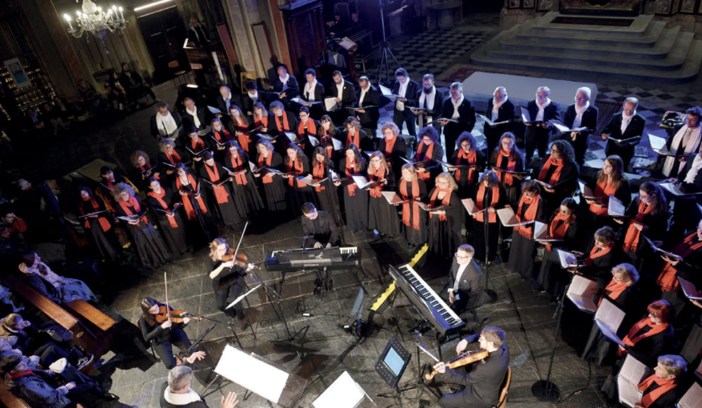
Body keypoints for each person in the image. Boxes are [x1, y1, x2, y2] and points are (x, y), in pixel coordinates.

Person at [1, 354, 117, 408]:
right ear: (12, 370)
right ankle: (102, 393)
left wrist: (51, 371)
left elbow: (37, 374)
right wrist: (66, 387)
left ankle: (90, 382)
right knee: (88, 385)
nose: (24, 364)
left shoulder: (15, 373)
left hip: (49, 386)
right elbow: (50, 399)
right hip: (56, 399)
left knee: (69, 369)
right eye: (20, 365)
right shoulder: (26, 385)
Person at [434, 327, 509, 408]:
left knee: (442, 400)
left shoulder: (484, 368)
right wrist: (465, 340)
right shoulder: (504, 347)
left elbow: (465, 380)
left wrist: (445, 371)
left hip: (480, 398)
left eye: (482, 339)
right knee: (462, 367)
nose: (479, 340)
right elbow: (478, 336)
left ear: (491, 343)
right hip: (491, 385)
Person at [113, 182, 172, 270]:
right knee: (144, 243)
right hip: (134, 226)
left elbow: (143, 209)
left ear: (129, 192)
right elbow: (123, 218)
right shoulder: (118, 205)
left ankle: (162, 257)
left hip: (144, 222)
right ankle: (153, 262)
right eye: (122, 195)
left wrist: (139, 215)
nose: (125, 196)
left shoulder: (136, 198)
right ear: (119, 196)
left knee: (153, 239)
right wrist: (130, 221)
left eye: (126, 193)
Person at [138, 297, 205, 369]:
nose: (156, 311)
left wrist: (184, 323)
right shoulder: (144, 318)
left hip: (174, 332)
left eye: (156, 307)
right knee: (170, 365)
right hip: (160, 340)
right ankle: (175, 357)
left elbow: (178, 326)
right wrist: (161, 327)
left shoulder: (165, 308)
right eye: (152, 311)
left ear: (156, 304)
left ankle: (183, 354)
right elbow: (146, 338)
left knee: (192, 352)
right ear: (147, 311)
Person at [655, 220, 702, 321]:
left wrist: (678, 266)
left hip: (679, 287)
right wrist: (663, 244)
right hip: (667, 276)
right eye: (699, 229)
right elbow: (676, 244)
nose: (700, 233)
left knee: (665, 315)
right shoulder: (692, 232)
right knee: (656, 307)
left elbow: (697, 275)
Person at [617, 181, 668, 271]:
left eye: (644, 196)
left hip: (642, 242)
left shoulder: (660, 210)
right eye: (639, 194)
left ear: (654, 195)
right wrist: (623, 220)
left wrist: (647, 228)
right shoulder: (637, 201)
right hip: (628, 236)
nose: (640, 198)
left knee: (635, 266)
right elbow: (629, 215)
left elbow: (661, 230)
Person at [536, 198, 580, 298]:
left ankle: (555, 293)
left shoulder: (574, 221)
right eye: (561, 209)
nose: (562, 212)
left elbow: (571, 240)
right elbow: (549, 225)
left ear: (572, 210)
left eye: (565, 211)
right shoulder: (556, 213)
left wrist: (553, 243)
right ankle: (543, 285)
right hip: (551, 246)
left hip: (561, 249)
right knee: (545, 267)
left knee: (556, 272)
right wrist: (546, 235)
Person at [584, 155, 631, 248]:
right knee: (588, 240)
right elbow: (588, 186)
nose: (604, 168)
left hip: (607, 219)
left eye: (608, 166)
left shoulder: (622, 183)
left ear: (616, 168)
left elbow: (625, 202)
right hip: (592, 214)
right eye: (604, 164)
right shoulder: (598, 175)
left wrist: (607, 204)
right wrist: (588, 198)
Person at [208, 238, 254, 327]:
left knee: (234, 299)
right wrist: (223, 265)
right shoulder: (211, 259)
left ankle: (242, 318)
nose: (223, 252)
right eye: (220, 250)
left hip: (235, 280)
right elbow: (211, 275)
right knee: (220, 306)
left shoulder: (232, 255)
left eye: (225, 249)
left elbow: (242, 272)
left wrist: (248, 269)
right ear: (214, 250)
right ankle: (233, 313)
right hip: (221, 283)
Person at [18, 252, 97, 303]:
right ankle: (88, 303)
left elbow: (51, 274)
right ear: (30, 260)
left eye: (38, 256)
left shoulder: (40, 264)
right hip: (54, 289)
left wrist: (60, 280)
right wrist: (58, 284)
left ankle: (91, 299)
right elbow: (44, 289)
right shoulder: (32, 275)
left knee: (78, 282)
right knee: (74, 289)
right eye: (36, 257)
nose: (39, 258)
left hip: (58, 281)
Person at [507, 181, 546, 280]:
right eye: (524, 192)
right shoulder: (523, 197)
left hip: (530, 230)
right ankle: (516, 267)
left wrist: (527, 223)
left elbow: (539, 218)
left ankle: (526, 273)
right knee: (517, 249)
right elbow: (519, 208)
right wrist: (511, 207)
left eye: (528, 193)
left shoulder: (540, 201)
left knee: (527, 253)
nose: (526, 195)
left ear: (535, 191)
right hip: (519, 227)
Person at [664, 144, 702, 242]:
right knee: (677, 222)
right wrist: (676, 180)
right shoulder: (693, 157)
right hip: (682, 195)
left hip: (696, 202)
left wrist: (693, 198)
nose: (701, 150)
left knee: (691, 227)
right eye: (701, 147)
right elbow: (683, 173)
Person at [532, 139, 579, 215]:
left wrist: (555, 191)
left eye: (555, 151)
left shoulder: (571, 166)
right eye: (551, 149)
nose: (552, 152)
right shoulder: (547, 158)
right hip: (541, 191)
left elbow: (572, 186)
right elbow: (538, 170)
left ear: (564, 153)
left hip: (556, 197)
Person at [77, 185, 123, 263]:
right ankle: (107, 257)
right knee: (99, 241)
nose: (84, 195)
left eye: (85, 192)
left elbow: (104, 211)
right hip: (92, 225)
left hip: (102, 222)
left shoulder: (97, 199)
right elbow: (82, 217)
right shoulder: (80, 205)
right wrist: (86, 217)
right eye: (82, 194)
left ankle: (116, 255)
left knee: (108, 239)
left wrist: (96, 215)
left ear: (88, 192)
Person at [440, 244, 490, 314]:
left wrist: (457, 297)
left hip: (465, 294)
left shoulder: (476, 274)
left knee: (452, 311)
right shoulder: (456, 259)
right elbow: (451, 274)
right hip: (453, 287)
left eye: (461, 257)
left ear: (469, 258)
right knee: (438, 300)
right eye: (457, 254)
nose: (457, 258)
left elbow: (474, 292)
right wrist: (451, 291)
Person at [302, 202, 340, 292]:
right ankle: (318, 278)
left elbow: (334, 232)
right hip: (314, 240)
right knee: (312, 256)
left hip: (327, 239)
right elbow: (307, 234)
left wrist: (330, 243)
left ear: (315, 209)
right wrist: (315, 243)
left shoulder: (326, 215)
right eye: (308, 217)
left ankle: (329, 278)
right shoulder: (304, 218)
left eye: (312, 216)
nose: (310, 218)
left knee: (328, 256)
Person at [146, 178, 189, 257]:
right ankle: (178, 251)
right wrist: (166, 214)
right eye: (153, 186)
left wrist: (176, 203)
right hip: (165, 220)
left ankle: (186, 247)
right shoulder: (150, 198)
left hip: (175, 214)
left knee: (181, 232)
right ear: (150, 187)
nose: (156, 186)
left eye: (157, 184)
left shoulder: (167, 189)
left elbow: (174, 199)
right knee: (172, 236)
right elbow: (155, 210)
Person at [161, 365, 239, 408]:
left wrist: (188, 361)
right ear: (185, 386)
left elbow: (177, 376)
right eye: (189, 381)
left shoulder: (165, 386)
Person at [601, 97, 646, 171]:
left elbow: (637, 138)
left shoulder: (640, 120)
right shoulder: (616, 116)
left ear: (636, 107)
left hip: (626, 152)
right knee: (609, 168)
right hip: (612, 149)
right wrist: (604, 135)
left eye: (631, 110)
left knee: (622, 170)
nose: (628, 112)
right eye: (626, 109)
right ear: (623, 106)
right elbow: (607, 129)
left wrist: (628, 144)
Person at [472, 170, 506, 264]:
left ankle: (490, 257)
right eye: (484, 180)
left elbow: (503, 203)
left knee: (491, 238)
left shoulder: (500, 189)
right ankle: (479, 256)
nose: (486, 183)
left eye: (489, 181)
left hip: (492, 218)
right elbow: (473, 199)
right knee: (479, 237)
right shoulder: (477, 187)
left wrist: (495, 208)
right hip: (479, 216)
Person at [198, 152, 241, 227]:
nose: (211, 162)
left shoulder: (218, 164)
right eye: (208, 161)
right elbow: (203, 182)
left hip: (224, 188)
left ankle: (235, 220)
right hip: (214, 191)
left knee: (230, 205)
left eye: (212, 160)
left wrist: (228, 178)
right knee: (222, 208)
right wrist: (212, 186)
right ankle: (227, 223)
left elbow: (224, 174)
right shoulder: (202, 169)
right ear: (204, 161)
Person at [223, 141, 264, 217]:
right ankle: (246, 211)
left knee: (251, 193)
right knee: (241, 195)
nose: (233, 151)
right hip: (236, 179)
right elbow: (227, 169)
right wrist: (230, 174)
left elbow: (251, 165)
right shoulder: (226, 158)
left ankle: (256, 209)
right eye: (231, 150)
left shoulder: (244, 154)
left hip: (246, 176)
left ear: (237, 148)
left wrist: (245, 170)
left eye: (234, 149)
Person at [659, 107, 701, 178]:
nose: (688, 122)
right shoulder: (679, 127)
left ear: (700, 120)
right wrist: (662, 150)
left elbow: (700, 154)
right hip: (672, 162)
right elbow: (670, 142)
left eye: (692, 120)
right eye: (688, 118)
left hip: (687, 166)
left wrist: (690, 157)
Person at [427, 172, 462, 259]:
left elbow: (457, 209)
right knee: (434, 235)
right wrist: (428, 205)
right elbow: (429, 199)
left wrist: (443, 212)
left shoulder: (453, 194)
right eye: (439, 182)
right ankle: (434, 252)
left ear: (449, 183)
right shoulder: (435, 189)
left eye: (443, 182)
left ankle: (445, 255)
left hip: (446, 221)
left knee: (444, 238)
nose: (441, 184)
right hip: (434, 219)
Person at [335, 144, 368, 232]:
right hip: (348, 187)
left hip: (360, 187)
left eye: (351, 153)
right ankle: (353, 227)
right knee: (351, 207)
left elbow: (366, 174)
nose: (349, 155)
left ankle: (364, 225)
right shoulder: (343, 161)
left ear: (355, 153)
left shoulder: (362, 161)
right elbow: (341, 175)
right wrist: (339, 182)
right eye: (347, 153)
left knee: (361, 207)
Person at [367, 151, 401, 238]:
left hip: (384, 195)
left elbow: (393, 183)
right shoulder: (371, 170)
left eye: (376, 160)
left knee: (386, 214)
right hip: (374, 195)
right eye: (373, 161)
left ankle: (390, 231)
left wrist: (386, 182)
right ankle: (381, 229)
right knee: (378, 213)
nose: (374, 163)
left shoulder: (387, 170)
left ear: (381, 160)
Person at [562, 87, 598, 166]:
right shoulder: (571, 108)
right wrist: (564, 130)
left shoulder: (593, 110)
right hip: (569, 137)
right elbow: (566, 123)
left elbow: (593, 128)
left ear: (587, 99)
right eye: (577, 98)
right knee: (565, 157)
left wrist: (582, 131)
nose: (578, 100)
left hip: (581, 139)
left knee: (579, 159)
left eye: (581, 99)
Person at [440, 82, 475, 160]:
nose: (453, 95)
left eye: (455, 93)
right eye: (451, 93)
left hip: (462, 130)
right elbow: (444, 115)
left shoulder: (468, 103)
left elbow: (472, 120)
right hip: (449, 129)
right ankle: (450, 168)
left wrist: (467, 132)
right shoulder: (447, 102)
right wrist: (443, 121)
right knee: (449, 150)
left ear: (461, 91)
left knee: (462, 150)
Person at [489, 132, 525, 210]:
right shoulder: (496, 152)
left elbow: (521, 171)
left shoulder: (517, 155)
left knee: (509, 206)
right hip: (498, 182)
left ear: (513, 143)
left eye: (509, 143)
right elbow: (490, 165)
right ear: (501, 142)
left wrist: (520, 177)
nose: (506, 145)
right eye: (504, 143)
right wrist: (492, 169)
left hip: (511, 185)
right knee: (498, 204)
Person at [524, 86, 560, 162]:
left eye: (542, 96)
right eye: (538, 95)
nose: (539, 98)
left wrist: (548, 125)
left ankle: (541, 169)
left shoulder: (553, 106)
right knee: (529, 152)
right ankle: (527, 167)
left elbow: (556, 120)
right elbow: (527, 115)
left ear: (547, 95)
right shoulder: (531, 104)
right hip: (532, 131)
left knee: (542, 153)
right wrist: (526, 121)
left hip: (544, 133)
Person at [396, 164, 427, 247]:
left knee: (418, 224)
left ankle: (419, 240)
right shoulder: (401, 181)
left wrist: (420, 198)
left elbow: (425, 194)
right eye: (403, 172)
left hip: (417, 207)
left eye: (406, 173)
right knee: (409, 224)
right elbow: (399, 194)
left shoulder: (420, 182)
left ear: (412, 173)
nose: (404, 175)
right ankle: (410, 240)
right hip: (406, 206)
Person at [449, 131, 485, 199]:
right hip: (458, 180)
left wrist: (477, 167)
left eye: (467, 145)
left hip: (471, 182)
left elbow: (482, 167)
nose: (465, 147)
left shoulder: (477, 153)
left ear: (471, 144)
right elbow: (451, 164)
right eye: (463, 145)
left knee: (469, 199)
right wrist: (451, 168)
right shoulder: (457, 152)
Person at [254, 140, 287, 212]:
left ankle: (283, 212)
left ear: (267, 146)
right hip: (266, 181)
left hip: (276, 180)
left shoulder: (276, 155)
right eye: (259, 147)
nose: (261, 149)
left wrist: (274, 173)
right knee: (270, 197)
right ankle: (274, 212)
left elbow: (282, 168)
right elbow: (260, 169)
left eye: (263, 147)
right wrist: (258, 174)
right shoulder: (258, 156)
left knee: (278, 196)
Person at [283, 144, 314, 216]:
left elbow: (306, 172)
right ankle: (300, 215)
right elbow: (285, 170)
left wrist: (294, 174)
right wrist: (285, 175)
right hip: (293, 183)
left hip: (303, 182)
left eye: (291, 153)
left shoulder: (303, 158)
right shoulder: (286, 158)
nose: (290, 155)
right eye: (288, 153)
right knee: (297, 200)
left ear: (296, 150)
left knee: (304, 199)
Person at [483, 86, 515, 155]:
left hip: (501, 131)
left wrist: (498, 125)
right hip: (490, 129)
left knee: (499, 151)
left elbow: (510, 122)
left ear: (505, 95)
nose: (497, 99)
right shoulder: (491, 100)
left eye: (499, 97)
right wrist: (485, 129)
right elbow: (488, 114)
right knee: (490, 149)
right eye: (495, 96)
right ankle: (489, 164)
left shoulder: (509, 105)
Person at [414, 126, 444, 192]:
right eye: (424, 139)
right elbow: (417, 155)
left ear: (433, 138)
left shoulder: (437, 147)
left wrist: (425, 169)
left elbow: (437, 163)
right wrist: (412, 159)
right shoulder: (419, 143)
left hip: (432, 173)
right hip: (419, 171)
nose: (426, 141)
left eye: (429, 140)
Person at [392, 68, 419, 136]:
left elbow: (417, 101)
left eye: (402, 79)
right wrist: (392, 97)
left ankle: (414, 146)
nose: (400, 81)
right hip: (398, 112)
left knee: (412, 131)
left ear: (406, 76)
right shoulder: (396, 83)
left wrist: (406, 100)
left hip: (409, 112)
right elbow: (395, 92)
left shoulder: (414, 85)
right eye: (398, 79)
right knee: (397, 131)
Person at [309, 147, 334, 213]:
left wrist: (320, 184)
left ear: (325, 155)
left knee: (329, 206)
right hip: (319, 188)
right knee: (323, 205)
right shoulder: (315, 164)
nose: (319, 159)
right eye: (317, 157)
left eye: (321, 157)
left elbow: (330, 178)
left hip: (328, 188)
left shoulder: (329, 163)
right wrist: (310, 176)